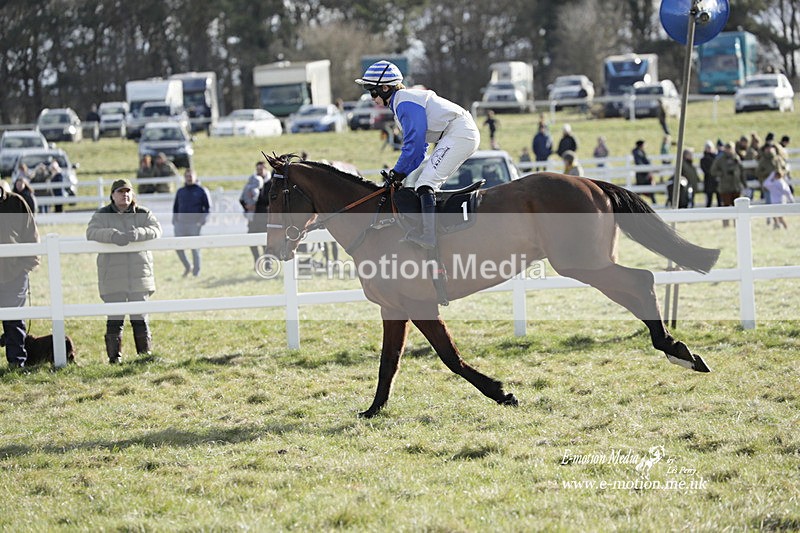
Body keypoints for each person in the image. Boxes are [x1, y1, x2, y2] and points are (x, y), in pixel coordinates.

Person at [355, 59, 480, 249]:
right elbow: (419, 151)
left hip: (459, 132)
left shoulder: (404, 102)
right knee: (425, 182)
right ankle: (433, 231)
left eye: (372, 91)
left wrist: (397, 172)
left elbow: (413, 145)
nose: (372, 97)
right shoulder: (400, 104)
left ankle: (429, 236)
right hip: (456, 133)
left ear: (386, 88)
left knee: (426, 183)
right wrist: (401, 174)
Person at [86, 179, 162, 363]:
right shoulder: (102, 215)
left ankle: (144, 357)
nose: (125, 194)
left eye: (128, 191)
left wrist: (138, 234)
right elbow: (91, 232)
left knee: (140, 318)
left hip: (139, 276)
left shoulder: (143, 213)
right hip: (112, 276)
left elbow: (156, 229)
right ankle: (114, 359)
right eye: (120, 191)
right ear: (112, 195)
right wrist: (112, 235)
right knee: (114, 319)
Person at [0, 180, 40, 369]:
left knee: (14, 319)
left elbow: (30, 234)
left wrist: (26, 265)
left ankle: (17, 363)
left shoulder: (16, 203)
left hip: (14, 272)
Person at [172, 168, 211, 277]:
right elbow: (175, 207)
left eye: (191, 176)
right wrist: (175, 220)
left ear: (195, 177)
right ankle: (188, 266)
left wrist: (202, 221)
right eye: (187, 176)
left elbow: (207, 208)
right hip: (181, 224)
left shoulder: (201, 191)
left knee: (195, 249)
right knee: (178, 247)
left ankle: (196, 272)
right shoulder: (180, 191)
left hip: (195, 224)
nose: (189, 178)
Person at [240, 160, 271, 263]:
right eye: (257, 169)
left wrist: (256, 203)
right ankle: (257, 261)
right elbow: (243, 197)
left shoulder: (271, 184)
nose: (259, 172)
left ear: (266, 170)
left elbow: (268, 200)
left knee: (265, 242)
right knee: (251, 241)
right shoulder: (252, 182)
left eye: (261, 169)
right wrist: (247, 206)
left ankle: (267, 263)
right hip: (253, 219)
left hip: (265, 218)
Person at [710, 141, 747, 226]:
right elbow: (713, 171)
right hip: (725, 187)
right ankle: (726, 224)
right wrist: (723, 174)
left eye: (730, 148)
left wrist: (744, 183)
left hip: (736, 186)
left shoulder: (736, 158)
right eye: (727, 148)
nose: (729, 150)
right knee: (726, 208)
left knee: (737, 207)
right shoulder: (720, 159)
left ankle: (737, 224)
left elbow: (741, 171)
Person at [700, 140, 719, 207]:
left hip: (717, 181)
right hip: (709, 181)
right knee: (709, 200)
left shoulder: (716, 158)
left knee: (719, 200)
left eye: (710, 147)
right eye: (707, 147)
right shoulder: (703, 159)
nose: (709, 149)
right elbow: (705, 170)